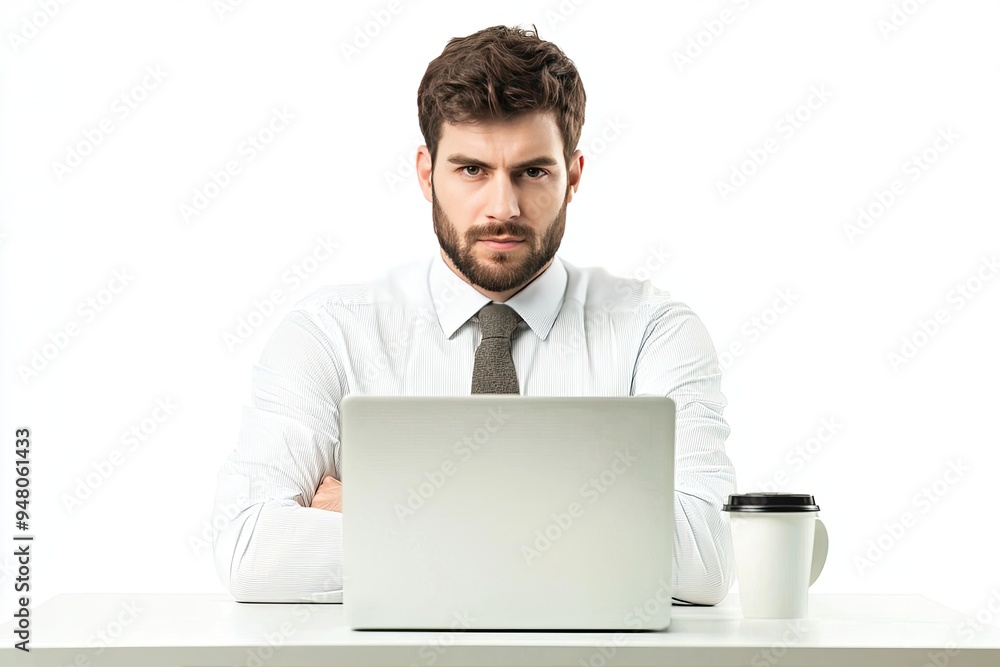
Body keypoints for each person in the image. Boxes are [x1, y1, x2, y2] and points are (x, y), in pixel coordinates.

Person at [213, 24, 736, 605]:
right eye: (471, 170)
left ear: (574, 177)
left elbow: (705, 558)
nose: (502, 208)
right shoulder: (328, 334)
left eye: (533, 171)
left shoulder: (653, 334)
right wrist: (591, 526)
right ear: (424, 172)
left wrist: (384, 503)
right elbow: (254, 551)